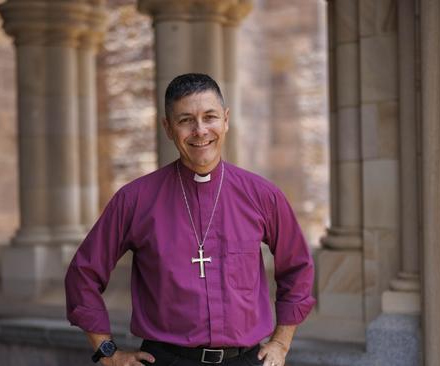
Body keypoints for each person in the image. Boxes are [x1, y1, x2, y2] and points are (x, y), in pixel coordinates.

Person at [65, 73, 315, 366]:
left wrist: (281, 343)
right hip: (166, 359)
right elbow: (83, 274)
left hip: (246, 359)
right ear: (168, 128)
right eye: (185, 120)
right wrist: (106, 352)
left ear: (226, 120)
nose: (200, 130)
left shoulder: (262, 195)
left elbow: (297, 266)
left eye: (209, 117)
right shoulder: (135, 199)